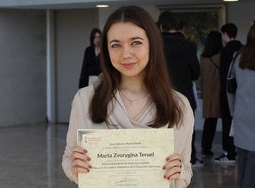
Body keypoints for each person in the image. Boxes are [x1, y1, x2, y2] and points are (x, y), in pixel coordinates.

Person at [62, 6, 194, 187]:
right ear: (107, 51)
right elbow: (69, 159)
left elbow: (185, 169)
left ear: (152, 44)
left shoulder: (179, 105)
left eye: (136, 43)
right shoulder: (85, 99)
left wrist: (177, 173)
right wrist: (75, 167)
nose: (126, 54)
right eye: (115, 45)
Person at [157, 11, 201, 167]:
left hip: (159, 95)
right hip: (184, 95)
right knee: (187, 130)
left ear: (161, 26)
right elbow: (196, 73)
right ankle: (189, 160)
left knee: (161, 131)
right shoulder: (189, 46)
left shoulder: (155, 45)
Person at [214, 23, 243, 163]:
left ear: (226, 34)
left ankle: (229, 152)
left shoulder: (225, 51)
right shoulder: (243, 49)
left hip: (227, 92)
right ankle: (239, 151)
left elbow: (224, 74)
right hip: (241, 92)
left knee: (227, 121)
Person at [231, 23, 255, 188]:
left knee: (243, 160)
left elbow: (230, 87)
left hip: (241, 115)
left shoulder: (238, 57)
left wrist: (233, 111)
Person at [200, 31, 222, 157]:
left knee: (209, 121)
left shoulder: (203, 57)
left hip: (207, 93)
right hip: (217, 92)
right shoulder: (219, 56)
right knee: (219, 121)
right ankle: (225, 148)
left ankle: (205, 146)